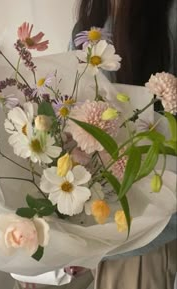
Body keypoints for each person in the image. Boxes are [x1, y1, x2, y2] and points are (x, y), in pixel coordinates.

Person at [70, 0, 177, 289]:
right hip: (100, 221)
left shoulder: (170, 21)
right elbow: (71, 113)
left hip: (146, 232)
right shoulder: (89, 22)